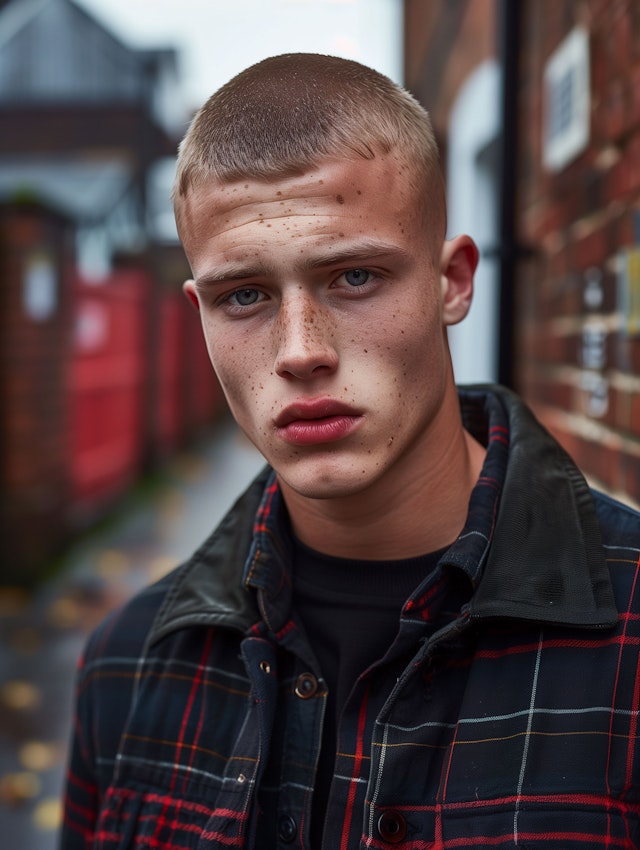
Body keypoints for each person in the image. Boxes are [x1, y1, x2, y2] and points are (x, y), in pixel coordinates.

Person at [60, 53, 640, 849]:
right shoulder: (126, 666)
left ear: (453, 282)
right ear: (198, 313)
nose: (301, 350)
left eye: (355, 276)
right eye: (245, 296)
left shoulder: (630, 643)